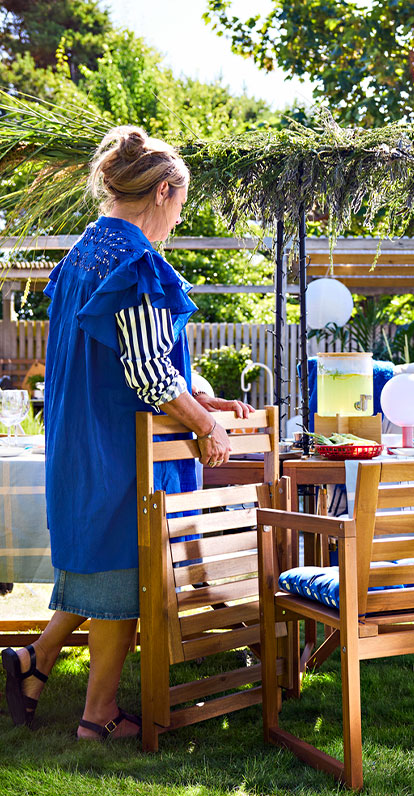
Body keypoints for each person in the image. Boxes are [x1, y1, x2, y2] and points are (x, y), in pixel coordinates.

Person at [1, 126, 253, 739]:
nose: (175, 223)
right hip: (121, 448)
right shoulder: (135, 261)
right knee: (120, 569)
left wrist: (198, 394)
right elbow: (144, 374)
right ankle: (98, 717)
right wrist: (206, 425)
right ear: (164, 191)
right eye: (180, 206)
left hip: (79, 435)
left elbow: (119, 358)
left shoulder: (82, 255)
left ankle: (32, 663)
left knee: (96, 562)